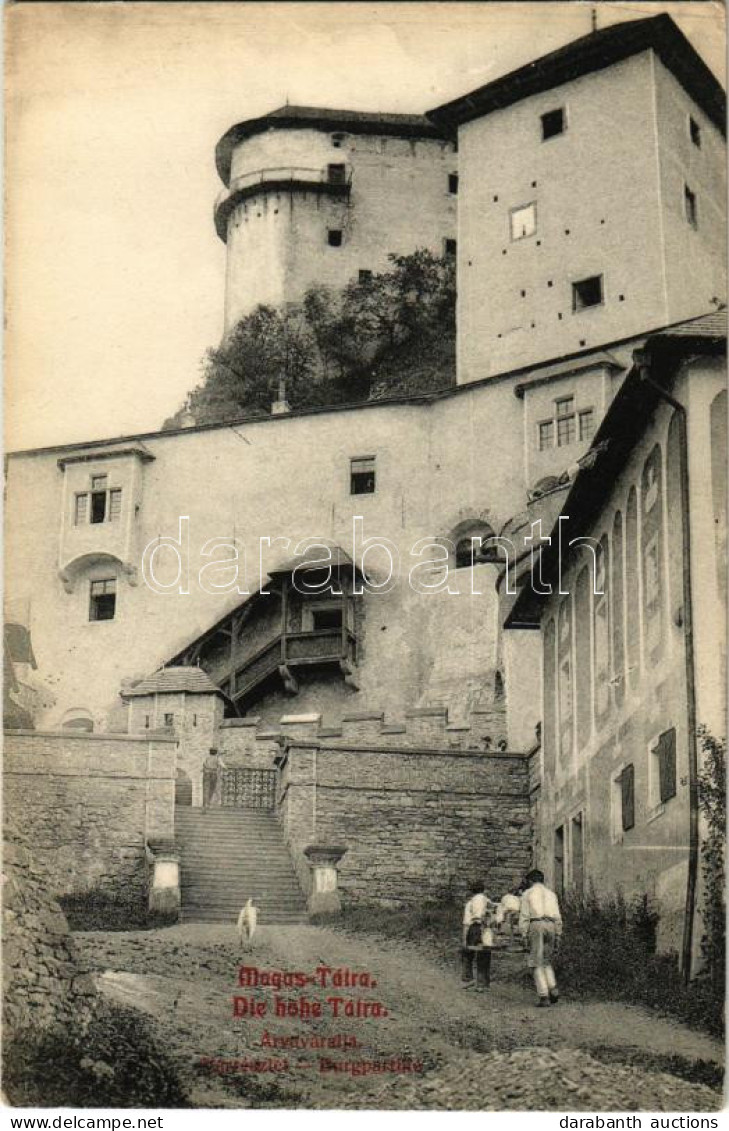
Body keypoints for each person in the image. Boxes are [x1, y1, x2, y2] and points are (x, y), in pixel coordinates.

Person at [518, 868, 562, 1007]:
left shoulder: (527, 894)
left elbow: (524, 916)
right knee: (547, 960)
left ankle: (543, 995)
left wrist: (524, 934)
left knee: (536, 961)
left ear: (531, 881)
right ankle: (553, 988)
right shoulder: (551, 894)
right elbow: (557, 915)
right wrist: (558, 933)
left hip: (536, 924)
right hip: (552, 925)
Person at [461, 880, 495, 993]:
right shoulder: (488, 901)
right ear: (483, 890)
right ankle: (484, 982)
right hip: (487, 929)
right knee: (485, 955)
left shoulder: (470, 903)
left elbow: (466, 923)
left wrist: (464, 939)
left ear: (471, 892)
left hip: (475, 928)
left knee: (468, 953)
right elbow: (494, 913)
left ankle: (468, 979)